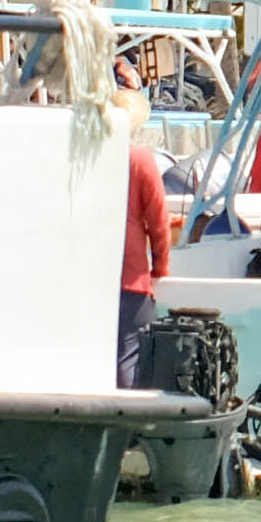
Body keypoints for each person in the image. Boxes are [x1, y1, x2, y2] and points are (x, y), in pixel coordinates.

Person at [114, 127, 175, 387]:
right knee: (129, 357)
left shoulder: (84, 156)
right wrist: (160, 268)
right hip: (131, 277)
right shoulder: (138, 159)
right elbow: (159, 222)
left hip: (87, 278)